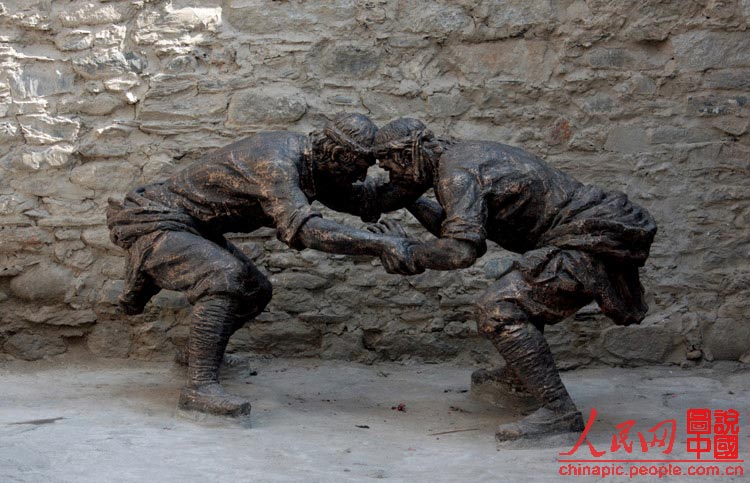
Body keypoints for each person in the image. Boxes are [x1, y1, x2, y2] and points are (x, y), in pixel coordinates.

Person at [106, 113, 420, 417]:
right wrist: (380, 243)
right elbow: (306, 230)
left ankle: (195, 355)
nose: (361, 176)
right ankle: (199, 388)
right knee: (223, 275)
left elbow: (366, 201)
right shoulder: (278, 163)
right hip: (157, 223)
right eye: (359, 167)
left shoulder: (317, 165)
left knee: (255, 291)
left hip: (193, 227)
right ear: (338, 154)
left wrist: (417, 178)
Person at [370, 118, 657, 440]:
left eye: (389, 162)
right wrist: (409, 199)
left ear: (409, 152)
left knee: (499, 308)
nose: (389, 172)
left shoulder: (456, 174)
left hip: (587, 239)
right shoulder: (461, 158)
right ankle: (519, 377)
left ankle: (559, 412)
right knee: (525, 290)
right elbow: (459, 227)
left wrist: (404, 251)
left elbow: (461, 251)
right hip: (586, 231)